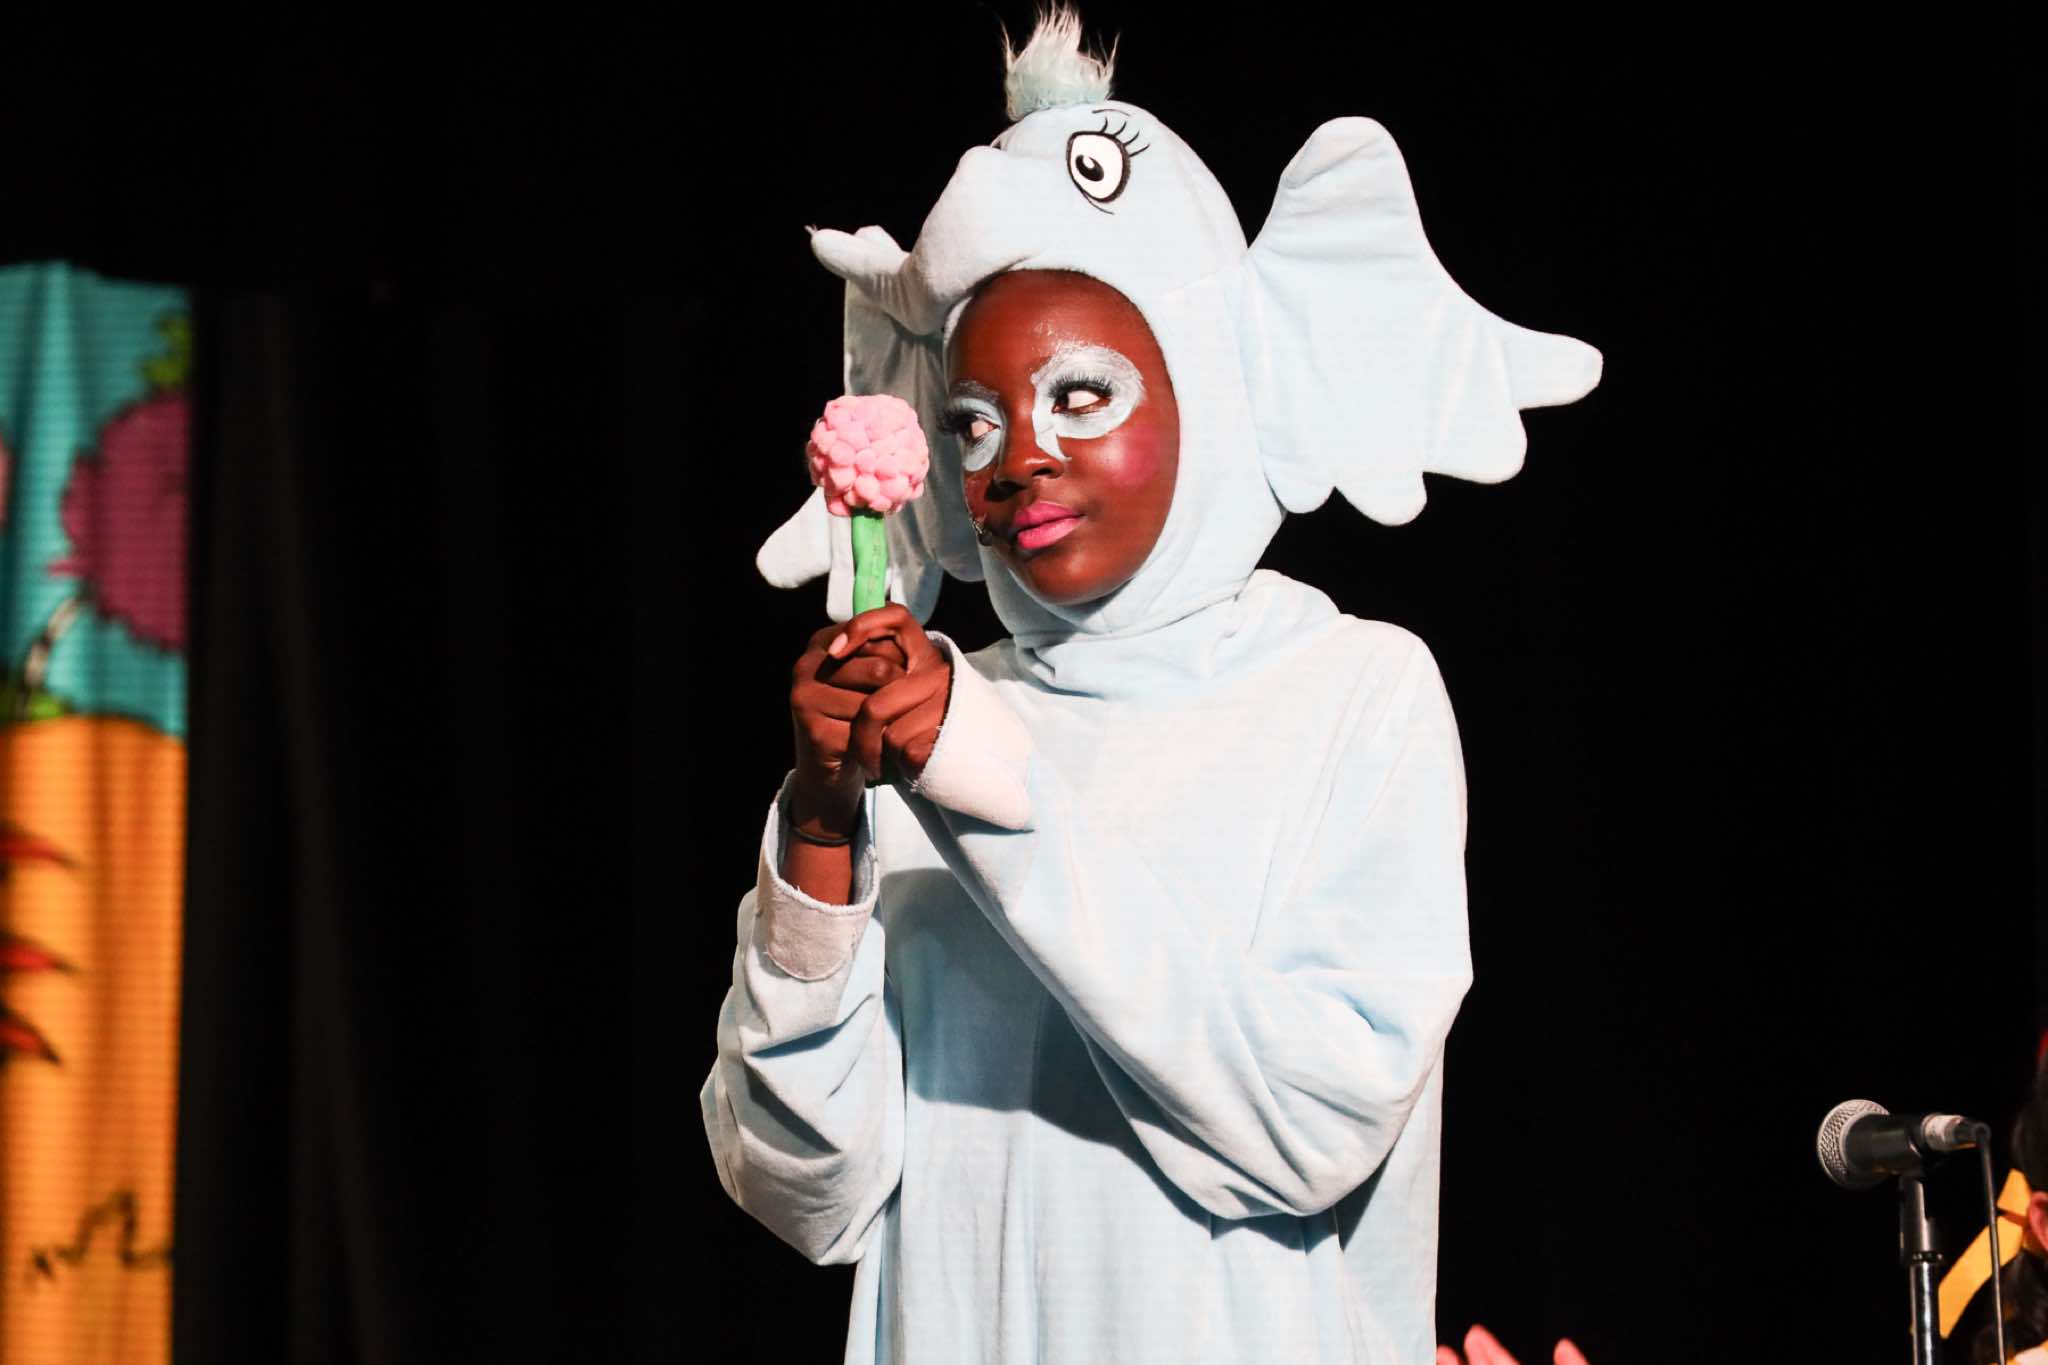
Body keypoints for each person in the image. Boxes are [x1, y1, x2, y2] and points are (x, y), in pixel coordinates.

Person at [700, 9, 1600, 1361]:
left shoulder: (1352, 694)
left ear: (1208, 385)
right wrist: (821, 845)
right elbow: (807, 1193)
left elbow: (1307, 1121)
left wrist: (986, 787)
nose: (1018, 457)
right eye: (975, 422)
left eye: (1082, 394)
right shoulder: (924, 729)